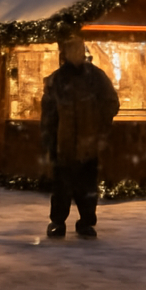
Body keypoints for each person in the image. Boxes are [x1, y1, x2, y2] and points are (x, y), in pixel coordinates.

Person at [40, 33, 120, 239]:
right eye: (71, 49)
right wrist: (49, 140)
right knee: (61, 188)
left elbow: (111, 102)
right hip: (63, 145)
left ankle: (86, 222)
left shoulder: (96, 77)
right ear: (65, 53)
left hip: (88, 145)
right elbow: (48, 114)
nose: (76, 52)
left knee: (87, 187)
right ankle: (58, 221)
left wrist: (99, 127)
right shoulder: (57, 80)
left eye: (78, 48)